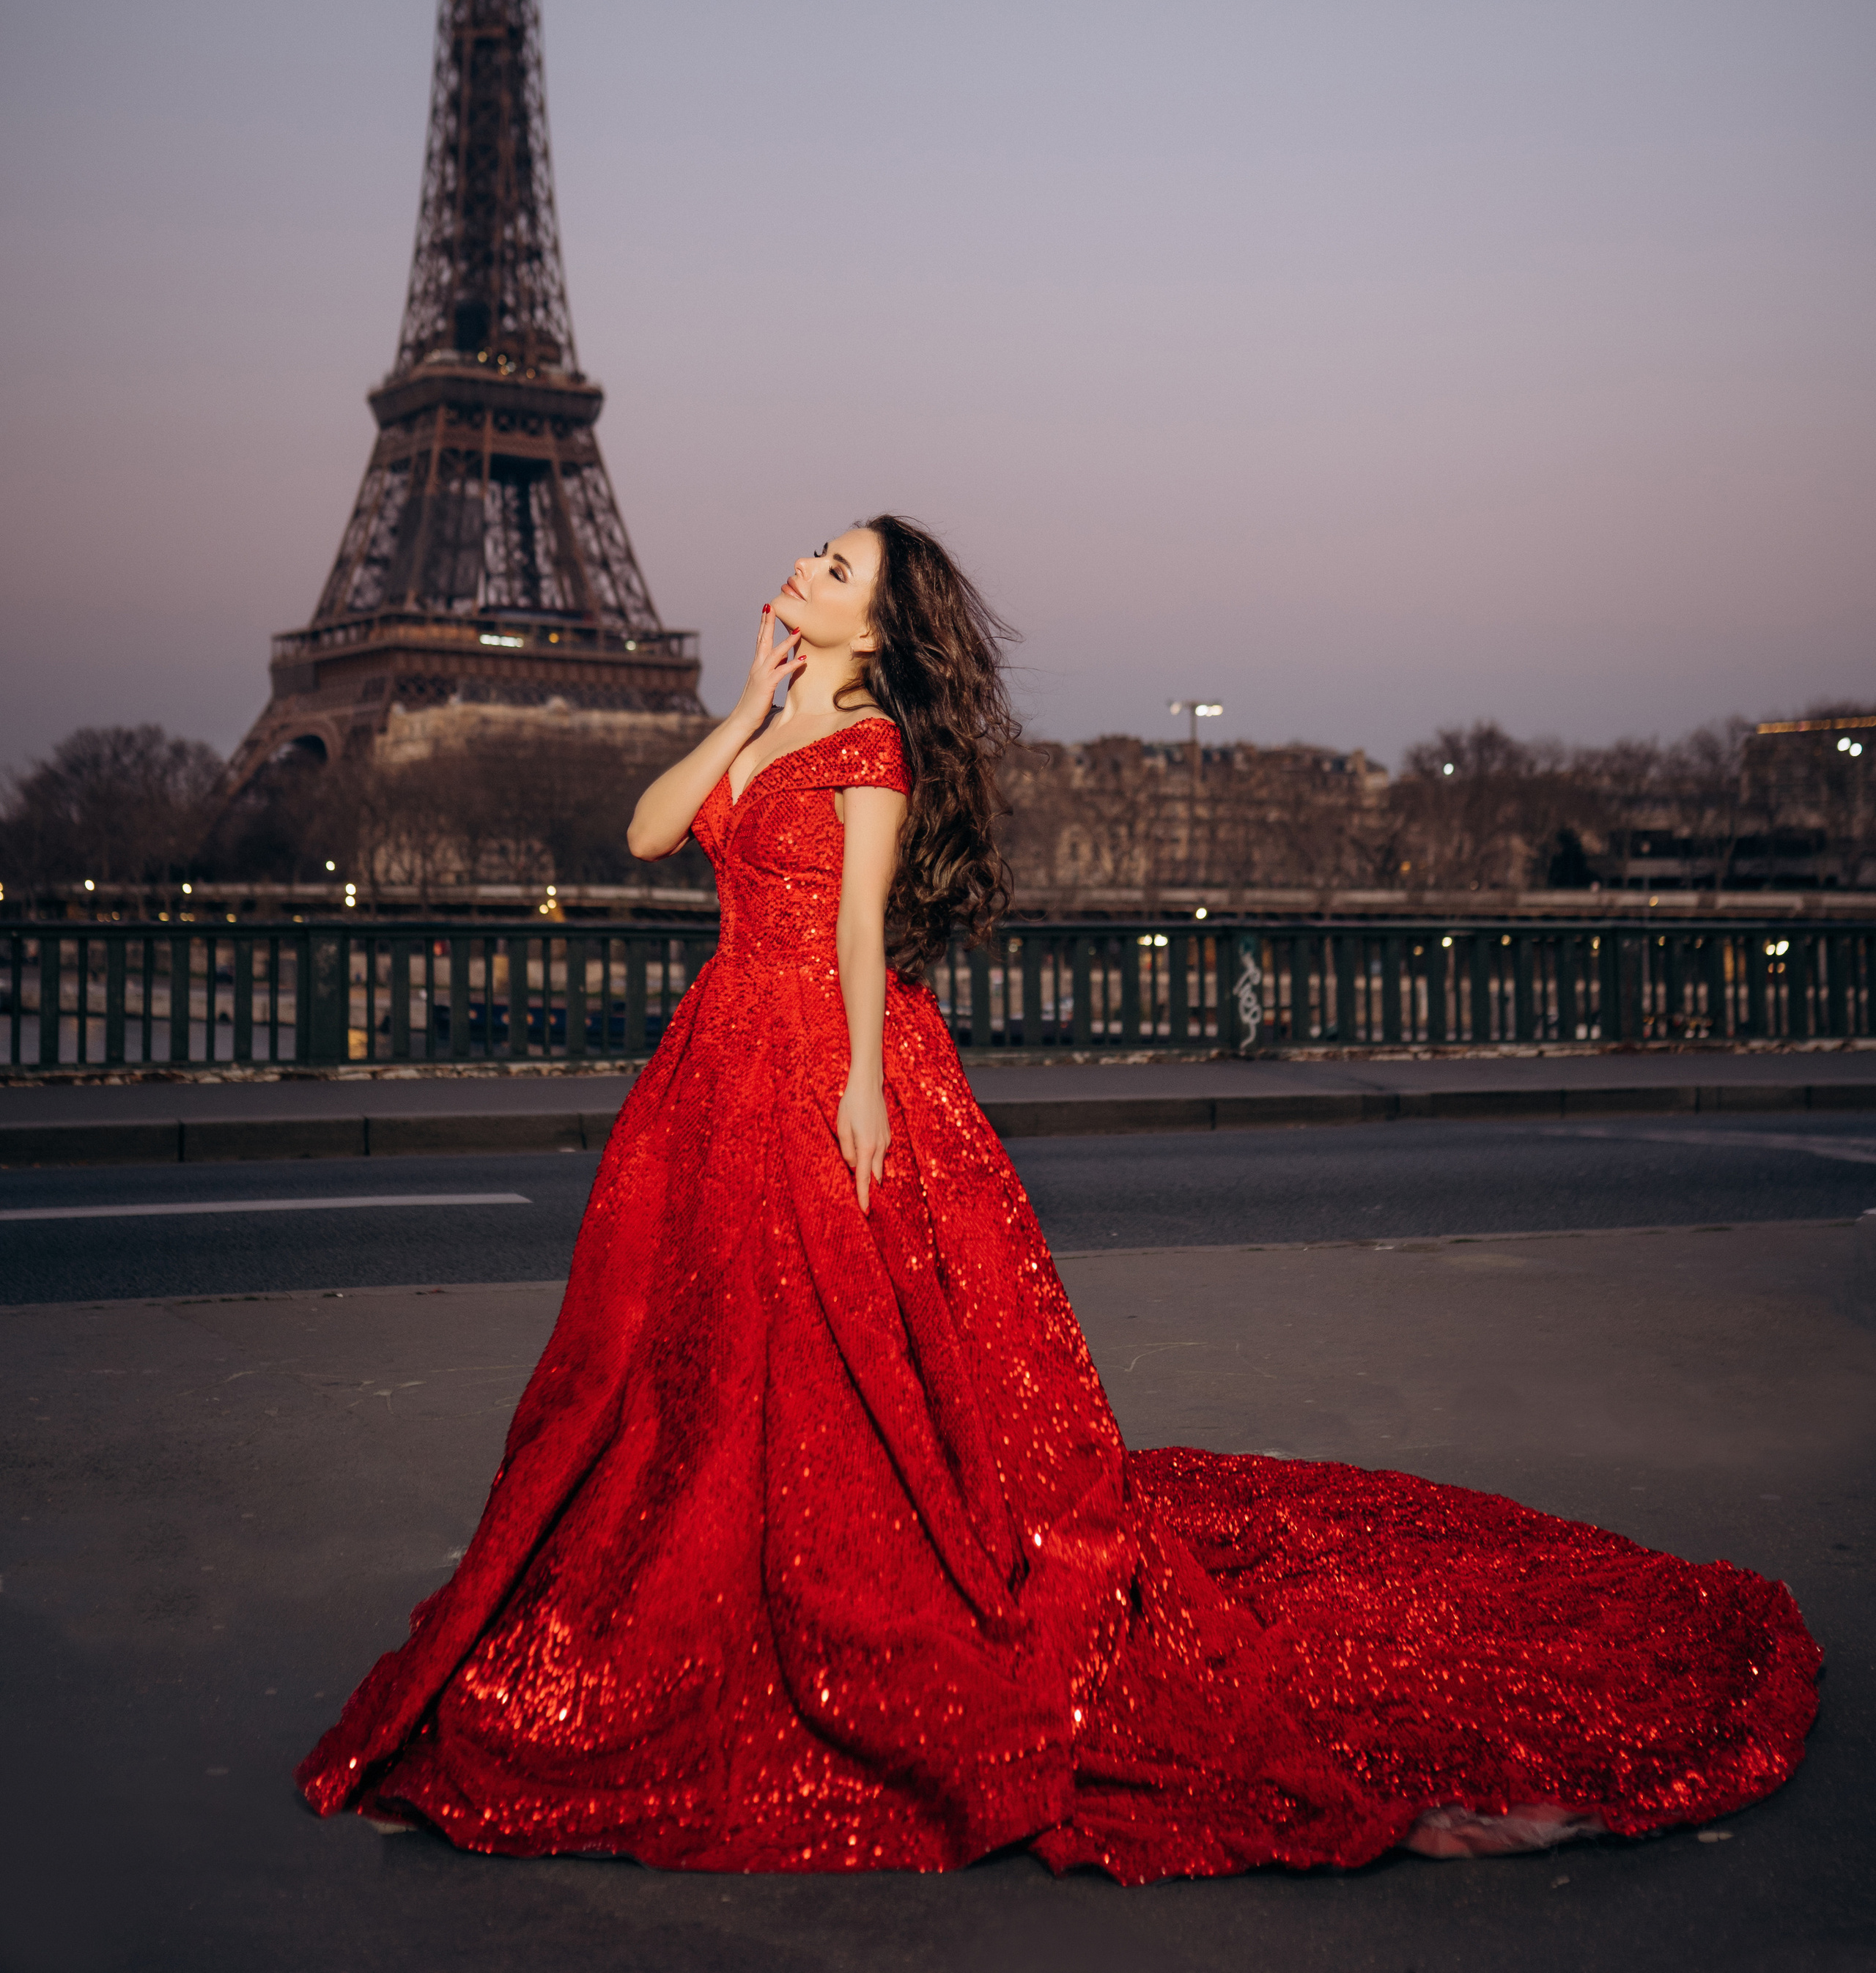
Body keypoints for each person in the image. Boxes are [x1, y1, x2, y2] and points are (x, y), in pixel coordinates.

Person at [298, 516, 1817, 1880]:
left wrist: (862, 1096)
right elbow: (646, 834)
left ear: (879, 631)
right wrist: (746, 705)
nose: (805, 568)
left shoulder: (875, 754)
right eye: (817, 554)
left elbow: (852, 939)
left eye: (837, 569)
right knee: (693, 1355)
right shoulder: (770, 729)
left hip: (814, 1054)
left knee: (824, 1366)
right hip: (712, 1063)